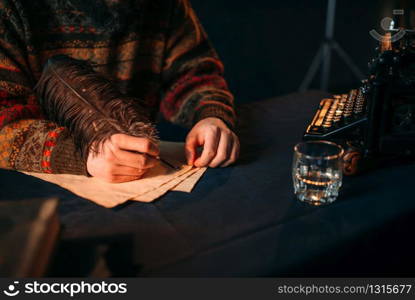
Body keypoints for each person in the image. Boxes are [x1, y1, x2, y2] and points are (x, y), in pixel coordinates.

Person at [0, 0, 239, 183]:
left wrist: (210, 115)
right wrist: (80, 154)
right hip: (33, 195)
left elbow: (194, 73)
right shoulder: (10, 8)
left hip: (141, 179)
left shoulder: (166, 5)